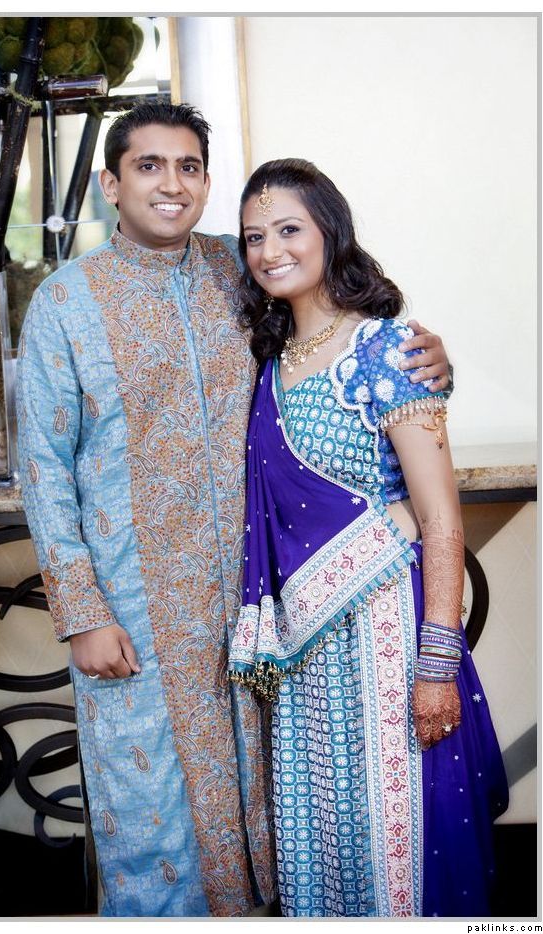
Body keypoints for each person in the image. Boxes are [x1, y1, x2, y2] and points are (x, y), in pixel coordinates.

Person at [16, 103, 451, 918]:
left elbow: (335, 327)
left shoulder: (238, 267)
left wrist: (425, 355)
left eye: (188, 166)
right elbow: (41, 467)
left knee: (273, 810)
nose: (171, 184)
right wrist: (82, 612)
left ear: (207, 181)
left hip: (257, 612)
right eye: (148, 166)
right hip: (134, 611)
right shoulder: (66, 303)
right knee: (153, 816)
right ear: (111, 184)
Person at [228, 158, 508, 918]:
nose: (270, 251)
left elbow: (441, 518)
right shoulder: (265, 360)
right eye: (253, 237)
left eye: (289, 229)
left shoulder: (387, 350)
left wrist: (437, 665)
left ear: (330, 232)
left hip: (390, 634)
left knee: (403, 834)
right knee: (324, 836)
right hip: (306, 651)